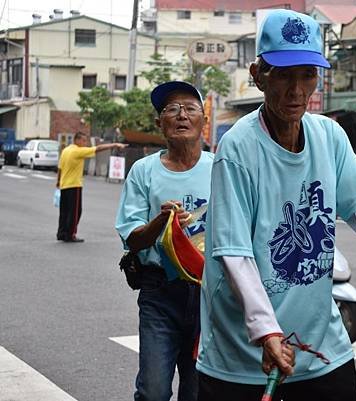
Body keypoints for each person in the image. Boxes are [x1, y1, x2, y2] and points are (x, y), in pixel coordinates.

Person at [196, 9, 356, 401]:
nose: (297, 90)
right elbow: (234, 252)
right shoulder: (238, 148)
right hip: (244, 353)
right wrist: (266, 330)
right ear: (258, 74)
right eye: (284, 74)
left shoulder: (328, 135)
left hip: (321, 347)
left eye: (307, 74)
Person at [115, 81, 212, 401]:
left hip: (210, 294)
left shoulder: (221, 168)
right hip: (160, 294)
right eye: (171, 109)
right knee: (154, 389)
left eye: (190, 108)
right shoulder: (143, 171)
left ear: (203, 120)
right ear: (160, 123)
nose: (181, 115)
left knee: (199, 389)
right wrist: (161, 221)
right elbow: (132, 237)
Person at [56, 132, 127, 242]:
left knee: (64, 211)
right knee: (75, 212)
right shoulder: (77, 151)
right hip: (74, 185)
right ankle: (70, 234)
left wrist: (58, 181)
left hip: (64, 185)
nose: (85, 143)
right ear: (77, 140)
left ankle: (61, 233)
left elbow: (60, 168)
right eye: (84, 141)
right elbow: (98, 148)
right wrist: (115, 145)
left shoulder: (66, 150)